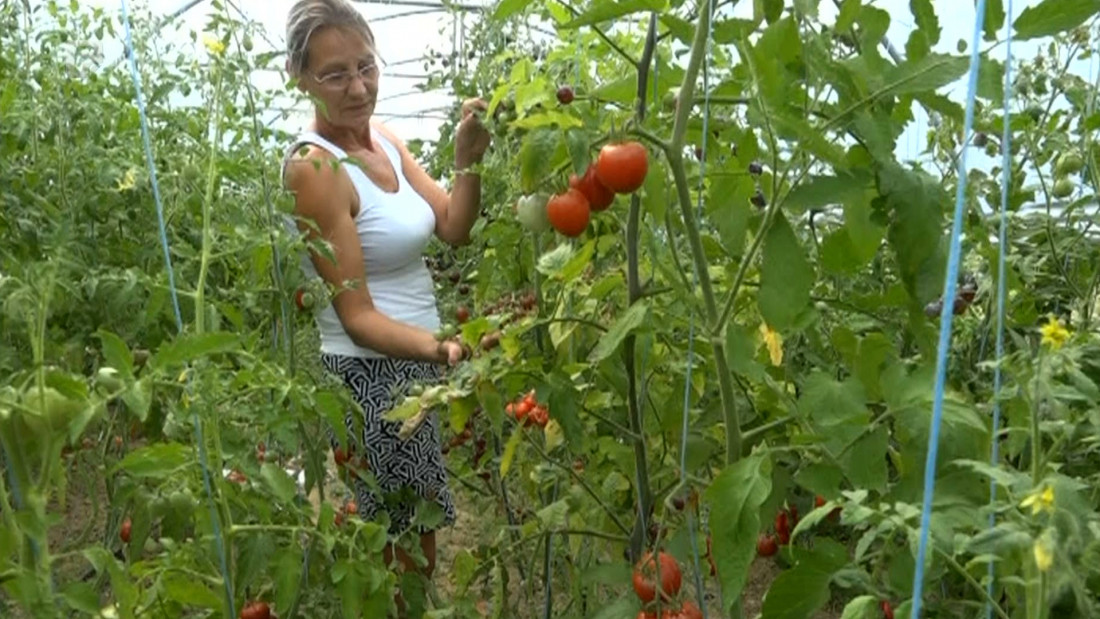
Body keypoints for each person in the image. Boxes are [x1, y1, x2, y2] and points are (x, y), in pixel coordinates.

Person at [280, 0, 490, 606]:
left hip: (413, 366)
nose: (359, 87)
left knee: (413, 532)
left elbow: (452, 225)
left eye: (366, 67)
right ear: (299, 78)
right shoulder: (315, 168)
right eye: (336, 74)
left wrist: (466, 161)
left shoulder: (387, 142)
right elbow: (357, 317)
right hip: (371, 376)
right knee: (401, 541)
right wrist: (442, 348)